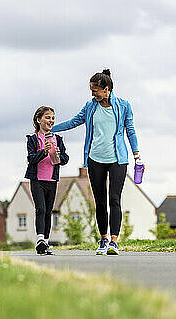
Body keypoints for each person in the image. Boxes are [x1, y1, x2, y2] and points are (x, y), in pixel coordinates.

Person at [51, 69, 140, 255]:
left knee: (114, 199)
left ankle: (114, 242)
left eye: (95, 91)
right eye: (91, 91)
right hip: (94, 159)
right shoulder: (90, 107)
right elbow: (73, 122)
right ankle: (103, 239)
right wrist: (49, 129)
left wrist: (136, 154)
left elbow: (130, 130)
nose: (93, 94)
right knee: (100, 202)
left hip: (118, 159)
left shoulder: (123, 106)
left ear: (106, 89)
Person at [25, 106, 69, 255]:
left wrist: (58, 155)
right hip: (37, 179)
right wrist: (44, 152)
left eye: (52, 118)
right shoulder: (32, 139)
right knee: (41, 209)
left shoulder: (58, 139)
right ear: (38, 120)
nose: (51, 120)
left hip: (52, 180)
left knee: (48, 211)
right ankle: (40, 239)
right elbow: (31, 159)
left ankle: (46, 243)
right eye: (47, 117)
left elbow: (65, 159)